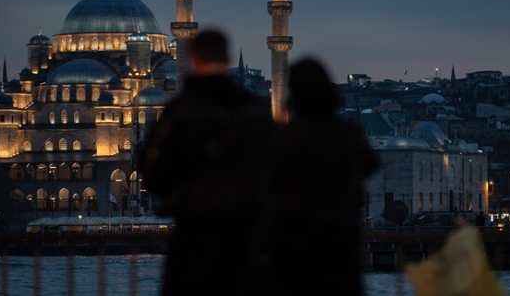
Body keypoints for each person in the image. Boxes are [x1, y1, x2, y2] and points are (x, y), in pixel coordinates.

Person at [138, 29, 275, 296]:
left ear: (192, 59)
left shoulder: (179, 111)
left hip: (194, 233)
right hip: (244, 236)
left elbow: (153, 172)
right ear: (226, 59)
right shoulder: (255, 111)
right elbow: (275, 166)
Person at [269, 58, 379, 296]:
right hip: (340, 248)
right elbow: (371, 163)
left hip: (295, 251)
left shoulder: (287, 139)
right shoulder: (348, 134)